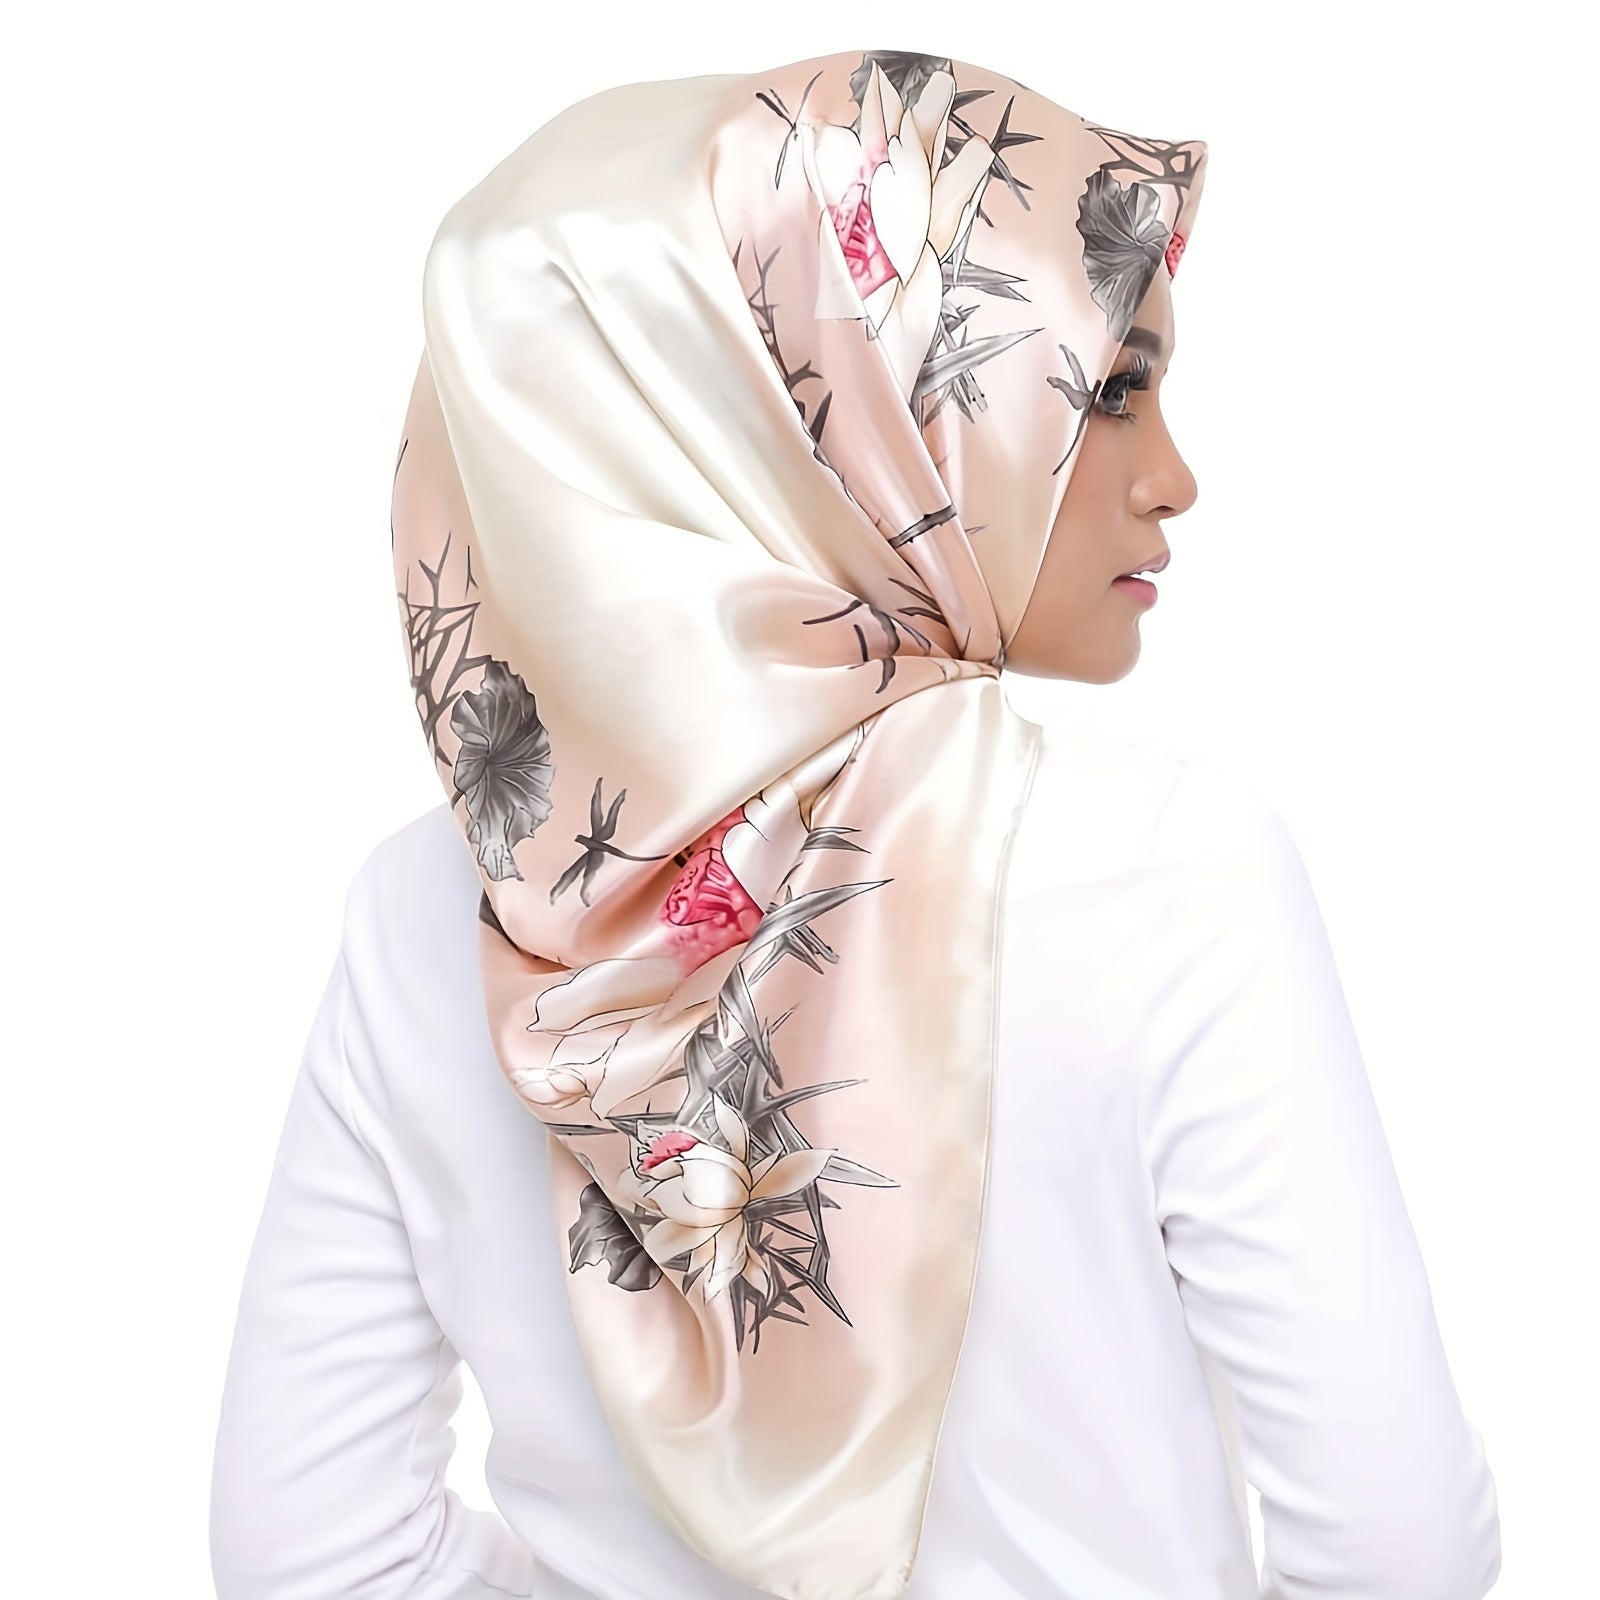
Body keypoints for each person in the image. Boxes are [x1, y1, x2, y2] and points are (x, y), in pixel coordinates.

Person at [209, 48, 1502, 1600]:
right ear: (827, 414)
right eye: (1110, 390)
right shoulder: (1168, 870)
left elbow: (308, 1554)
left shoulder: (429, 917)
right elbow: (1399, 1547)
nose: (1175, 480)